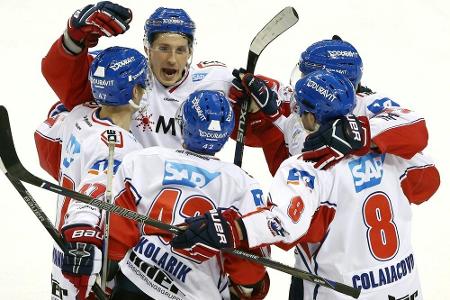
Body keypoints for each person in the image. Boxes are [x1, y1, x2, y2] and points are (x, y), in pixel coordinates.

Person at [171, 70, 441, 300]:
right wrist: (274, 117)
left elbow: (282, 224)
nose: (294, 114)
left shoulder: (307, 169)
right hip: (405, 288)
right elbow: (429, 180)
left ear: (312, 118)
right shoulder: (389, 153)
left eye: (298, 109)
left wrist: (229, 226)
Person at [99, 90, 269, 299]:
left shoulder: (142, 160)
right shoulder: (245, 184)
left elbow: (115, 236)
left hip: (136, 282)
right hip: (198, 293)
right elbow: (249, 275)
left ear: (183, 122)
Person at [35, 46, 148, 299]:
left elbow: (43, 134)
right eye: (142, 84)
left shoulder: (77, 114)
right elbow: (93, 192)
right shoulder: (118, 146)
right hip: (88, 260)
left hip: (61, 251)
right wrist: (83, 234)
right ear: (133, 91)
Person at [41, 2, 234, 149]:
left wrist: (259, 106)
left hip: (179, 194)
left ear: (191, 51)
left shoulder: (215, 82)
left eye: (181, 50)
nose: (172, 60)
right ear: (147, 48)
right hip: (120, 191)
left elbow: (253, 129)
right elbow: (63, 78)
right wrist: (73, 40)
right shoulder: (124, 71)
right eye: (163, 48)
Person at [229, 36, 411, 175]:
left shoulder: (371, 106)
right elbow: (252, 132)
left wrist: (358, 135)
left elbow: (414, 131)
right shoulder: (302, 106)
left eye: (307, 77)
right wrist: (250, 108)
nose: (301, 85)